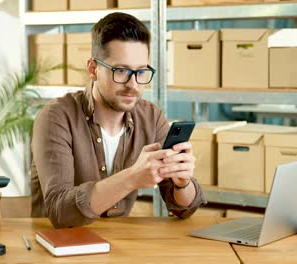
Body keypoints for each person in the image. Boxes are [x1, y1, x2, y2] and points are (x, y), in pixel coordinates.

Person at [30, 12, 205, 228]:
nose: (134, 85)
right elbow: (60, 212)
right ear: (93, 69)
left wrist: (182, 182)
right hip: (58, 248)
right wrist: (132, 177)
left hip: (121, 246)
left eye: (141, 72)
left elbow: (183, 209)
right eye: (121, 71)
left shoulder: (151, 117)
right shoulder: (56, 117)